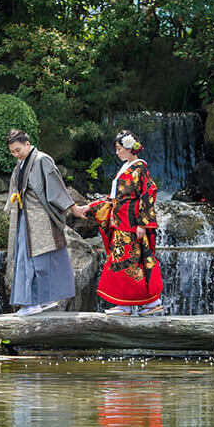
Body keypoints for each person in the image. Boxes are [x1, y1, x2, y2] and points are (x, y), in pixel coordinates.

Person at [4, 129, 88, 316]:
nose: (15, 154)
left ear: (27, 144)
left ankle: (33, 302)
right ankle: (41, 300)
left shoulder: (42, 160)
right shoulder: (22, 163)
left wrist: (74, 208)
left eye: (18, 150)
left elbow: (56, 187)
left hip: (40, 218)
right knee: (30, 259)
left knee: (36, 260)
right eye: (12, 152)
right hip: (26, 217)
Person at [85, 129, 164, 316]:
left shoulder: (140, 168)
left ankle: (138, 304)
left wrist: (142, 224)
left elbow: (147, 195)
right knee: (126, 262)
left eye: (120, 148)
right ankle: (138, 303)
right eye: (117, 149)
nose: (117, 152)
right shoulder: (127, 168)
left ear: (129, 148)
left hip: (131, 223)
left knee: (128, 262)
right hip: (121, 222)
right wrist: (91, 207)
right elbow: (114, 199)